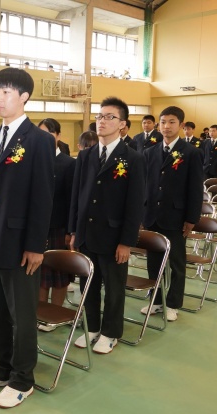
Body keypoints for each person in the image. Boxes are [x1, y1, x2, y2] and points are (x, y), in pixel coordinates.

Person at [0, 68, 54, 408]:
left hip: (20, 244)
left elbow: (43, 196)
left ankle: (22, 379)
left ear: (24, 97)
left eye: (6, 92)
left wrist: (35, 245)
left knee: (22, 317)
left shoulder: (39, 141)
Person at [68, 97, 145, 355]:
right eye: (99, 116)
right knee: (87, 284)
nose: (102, 121)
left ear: (122, 124)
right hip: (86, 233)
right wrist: (74, 230)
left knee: (114, 288)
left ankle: (111, 333)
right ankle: (91, 327)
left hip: (114, 236)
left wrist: (126, 241)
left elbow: (135, 204)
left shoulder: (133, 158)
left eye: (109, 117)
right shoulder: (86, 155)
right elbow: (77, 196)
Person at [141, 106, 203, 322]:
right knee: (153, 262)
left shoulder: (191, 153)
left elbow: (195, 188)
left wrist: (191, 219)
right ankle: (156, 300)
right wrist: (142, 213)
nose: (166, 126)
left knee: (176, 262)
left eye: (171, 122)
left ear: (181, 125)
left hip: (176, 216)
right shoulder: (149, 152)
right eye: (163, 122)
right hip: (152, 215)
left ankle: (174, 303)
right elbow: (145, 185)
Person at [37, 118, 75, 329]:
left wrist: (70, 230)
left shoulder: (68, 164)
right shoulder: (34, 160)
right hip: (38, 227)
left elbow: (72, 201)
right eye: (41, 133)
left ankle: (57, 315)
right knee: (40, 273)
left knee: (58, 273)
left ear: (58, 136)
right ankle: (42, 313)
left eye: (50, 133)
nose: (45, 138)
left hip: (59, 227)